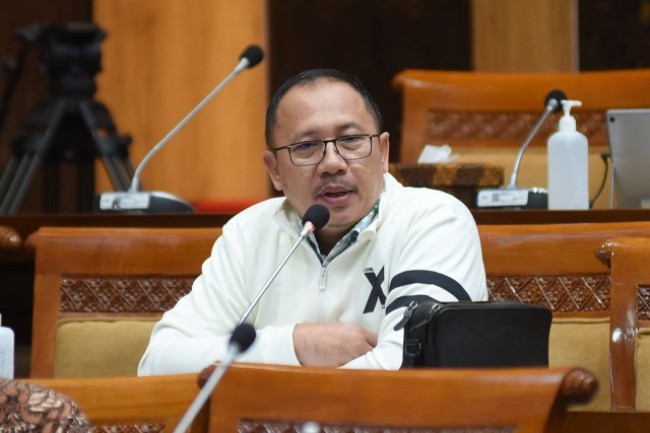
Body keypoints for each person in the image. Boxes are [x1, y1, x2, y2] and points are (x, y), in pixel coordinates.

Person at [137, 69, 487, 375]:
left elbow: (409, 371)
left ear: (383, 153)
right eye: (306, 147)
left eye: (350, 140)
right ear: (275, 170)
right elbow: (158, 364)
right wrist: (296, 345)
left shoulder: (434, 221)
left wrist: (267, 386)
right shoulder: (249, 234)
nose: (332, 163)